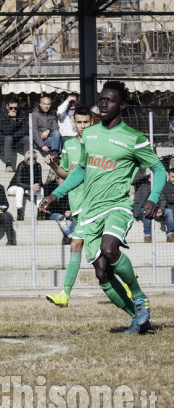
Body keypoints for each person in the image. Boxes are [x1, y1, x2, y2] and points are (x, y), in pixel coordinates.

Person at [40, 81, 166, 334]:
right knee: (101, 273)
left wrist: (152, 197)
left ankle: (139, 297)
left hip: (117, 206)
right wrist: (55, 195)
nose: (104, 103)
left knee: (109, 248)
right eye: (101, 99)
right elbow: (81, 171)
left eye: (110, 100)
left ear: (122, 105)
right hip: (90, 210)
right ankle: (137, 318)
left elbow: (159, 168)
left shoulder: (134, 138)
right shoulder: (90, 134)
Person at [42, 106, 94, 307]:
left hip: (92, 204)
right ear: (74, 123)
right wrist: (53, 166)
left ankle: (65, 294)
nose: (82, 126)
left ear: (91, 122)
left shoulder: (96, 144)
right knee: (97, 252)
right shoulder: (69, 145)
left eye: (86, 122)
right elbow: (66, 174)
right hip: (77, 205)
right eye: (79, 122)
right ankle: (128, 279)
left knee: (78, 245)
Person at [0, 97, 29, 172]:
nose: (13, 110)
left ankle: (28, 162)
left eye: (15, 108)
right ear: (7, 106)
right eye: (11, 108)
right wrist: (13, 120)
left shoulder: (22, 114)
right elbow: (6, 131)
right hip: (2, 142)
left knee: (27, 138)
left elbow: (25, 130)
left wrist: (13, 134)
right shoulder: (1, 115)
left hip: (15, 140)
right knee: (8, 137)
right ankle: (8, 164)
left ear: (18, 106)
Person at [7, 150, 44, 221]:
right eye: (30, 159)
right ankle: (19, 212)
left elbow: (40, 181)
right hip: (14, 187)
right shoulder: (22, 165)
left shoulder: (38, 166)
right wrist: (31, 186)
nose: (32, 160)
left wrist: (38, 185)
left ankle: (40, 211)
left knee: (41, 189)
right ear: (26, 159)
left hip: (28, 189)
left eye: (34, 159)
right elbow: (18, 182)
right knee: (20, 189)